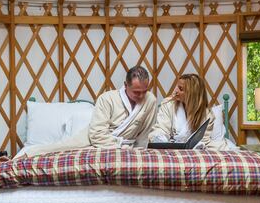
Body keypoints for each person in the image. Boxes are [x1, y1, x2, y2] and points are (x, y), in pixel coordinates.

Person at [19, 66, 158, 157]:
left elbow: (144, 133)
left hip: (127, 147)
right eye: (136, 92)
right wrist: (120, 147)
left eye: (144, 91)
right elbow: (97, 134)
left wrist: (139, 154)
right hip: (91, 138)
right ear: (125, 85)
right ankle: (26, 155)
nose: (140, 96)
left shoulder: (150, 100)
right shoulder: (107, 99)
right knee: (59, 149)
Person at [148, 74, 236, 151]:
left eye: (181, 89)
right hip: (171, 146)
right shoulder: (168, 105)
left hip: (196, 148)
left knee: (219, 147)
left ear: (192, 94)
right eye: (177, 86)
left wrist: (196, 146)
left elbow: (204, 140)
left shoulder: (207, 115)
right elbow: (161, 128)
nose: (175, 91)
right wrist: (162, 142)